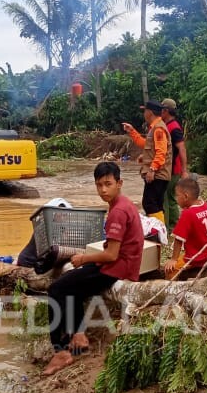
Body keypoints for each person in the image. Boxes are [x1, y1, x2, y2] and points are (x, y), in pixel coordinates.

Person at [43, 161, 144, 376]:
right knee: (73, 286)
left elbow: (111, 255)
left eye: (108, 184)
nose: (103, 190)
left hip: (117, 268)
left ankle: (60, 351)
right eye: (99, 185)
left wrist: (84, 259)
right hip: (122, 264)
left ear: (120, 183)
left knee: (57, 290)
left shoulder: (118, 211)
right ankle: (78, 335)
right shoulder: (123, 204)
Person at [121, 100, 173, 225]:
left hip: (158, 174)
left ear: (149, 112)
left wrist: (152, 169)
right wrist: (132, 131)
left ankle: (158, 232)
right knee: (155, 203)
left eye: (145, 110)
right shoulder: (155, 128)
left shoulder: (159, 129)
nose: (144, 113)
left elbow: (161, 152)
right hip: (158, 174)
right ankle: (159, 231)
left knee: (150, 203)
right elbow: (146, 145)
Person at [163, 175, 207, 280]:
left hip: (200, 256)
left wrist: (173, 259)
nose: (176, 199)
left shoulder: (188, 213)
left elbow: (178, 239)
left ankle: (169, 290)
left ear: (185, 196)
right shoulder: (204, 205)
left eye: (177, 196)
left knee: (169, 270)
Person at [159, 98, 188, 229]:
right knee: (170, 198)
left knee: (165, 198)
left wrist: (184, 170)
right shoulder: (169, 125)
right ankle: (174, 227)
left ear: (166, 111)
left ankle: (166, 228)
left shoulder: (174, 128)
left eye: (161, 110)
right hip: (171, 169)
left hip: (172, 170)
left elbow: (182, 149)